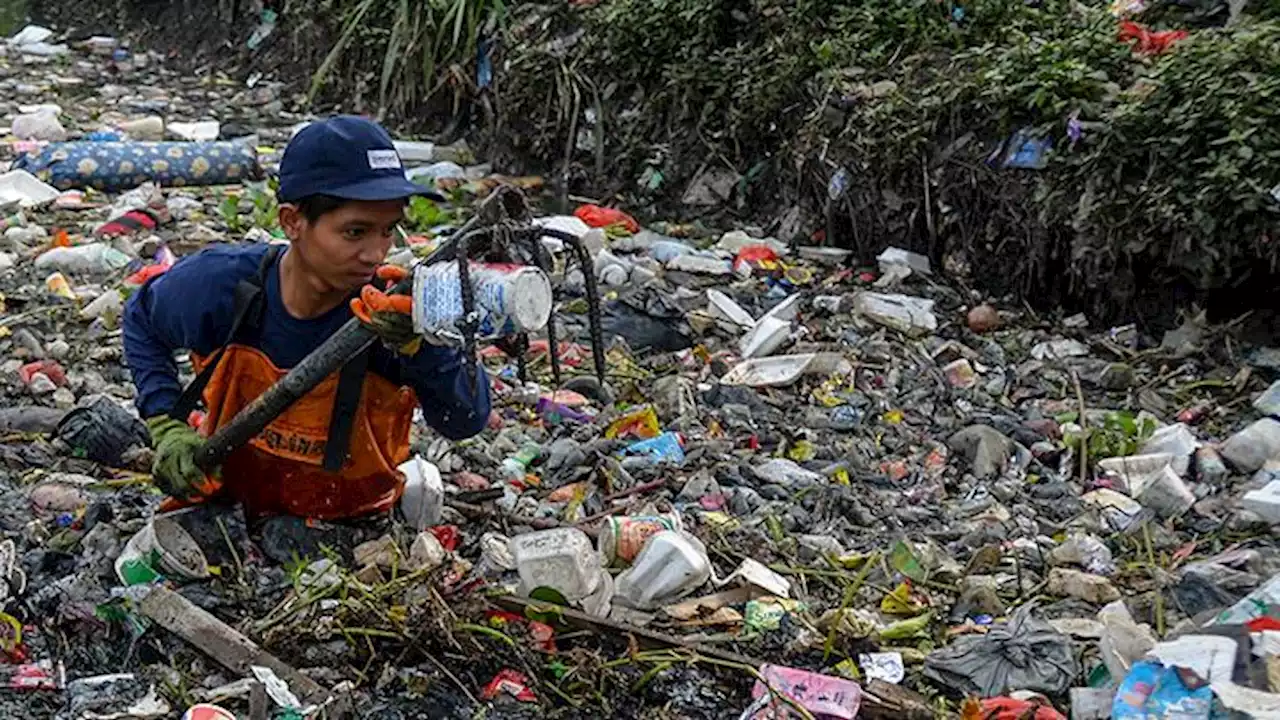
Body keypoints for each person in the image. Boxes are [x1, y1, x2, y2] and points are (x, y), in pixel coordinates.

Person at [123, 115, 492, 525]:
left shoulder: (393, 316)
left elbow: (464, 421)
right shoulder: (223, 287)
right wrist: (164, 422)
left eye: (389, 231)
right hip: (230, 509)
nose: (376, 254)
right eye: (355, 232)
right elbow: (141, 318)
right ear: (292, 221)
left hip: (352, 525)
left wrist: (422, 348)